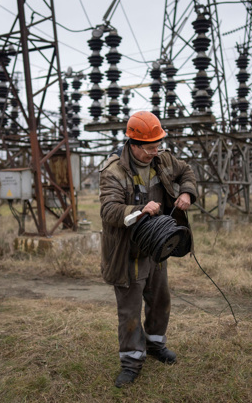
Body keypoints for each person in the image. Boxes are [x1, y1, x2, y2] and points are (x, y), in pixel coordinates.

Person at [99, 111, 198, 388]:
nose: (155, 152)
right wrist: (138, 210)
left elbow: (186, 170)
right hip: (128, 252)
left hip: (157, 247)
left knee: (160, 299)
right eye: (150, 147)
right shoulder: (113, 171)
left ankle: (155, 345)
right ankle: (131, 362)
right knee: (129, 310)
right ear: (133, 144)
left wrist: (187, 192)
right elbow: (108, 211)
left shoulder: (162, 159)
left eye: (158, 145)